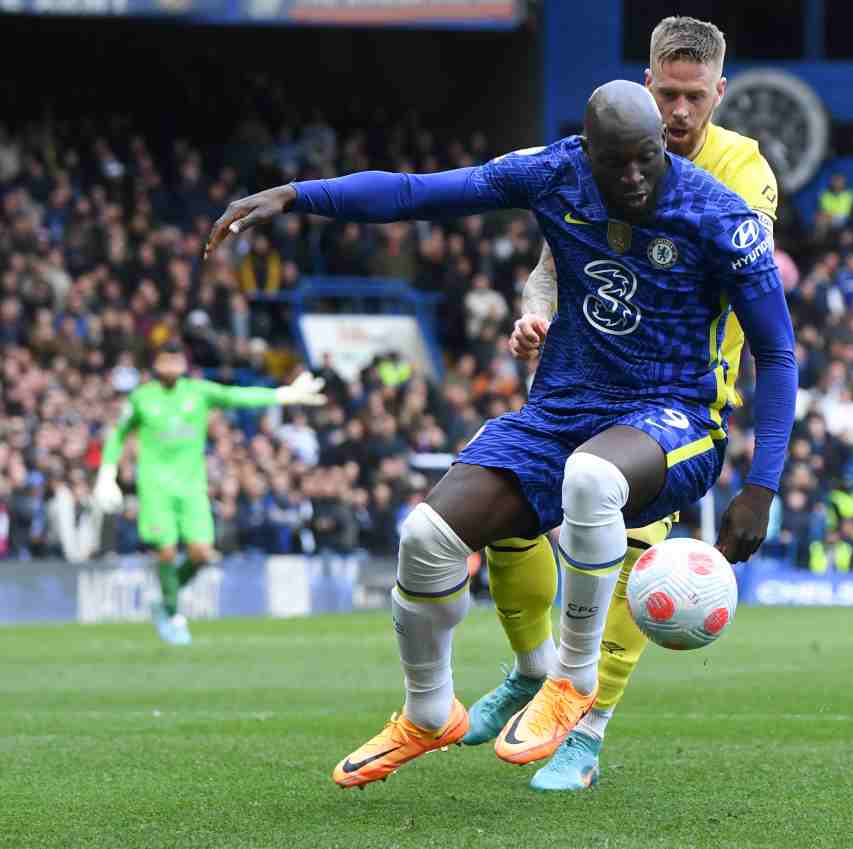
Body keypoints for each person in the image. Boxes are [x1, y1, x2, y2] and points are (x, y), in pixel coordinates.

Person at [206, 79, 797, 791]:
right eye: (618, 163)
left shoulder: (721, 216)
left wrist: (762, 485)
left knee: (590, 478)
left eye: (648, 159)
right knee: (425, 539)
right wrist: (299, 195)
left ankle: (572, 680)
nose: (636, 177)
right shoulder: (554, 171)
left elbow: (777, 353)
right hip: (562, 409)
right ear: (587, 152)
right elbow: (416, 193)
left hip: (674, 416)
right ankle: (429, 713)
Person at [478, 15, 783, 791]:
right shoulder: (605, 150)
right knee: (506, 517)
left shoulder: (741, 170)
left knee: (630, 553)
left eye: (694, 97)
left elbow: (749, 271)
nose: (679, 112)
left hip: (670, 398)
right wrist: (537, 311)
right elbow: (552, 265)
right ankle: (530, 670)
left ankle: (587, 731)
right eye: (667, 94)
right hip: (581, 383)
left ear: (720, 92)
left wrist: (763, 476)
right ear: (647, 85)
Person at [93, 341, 325, 644]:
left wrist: (282, 395)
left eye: (177, 359)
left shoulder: (198, 392)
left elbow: (237, 396)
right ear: (156, 363)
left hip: (192, 487)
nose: (172, 365)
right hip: (155, 488)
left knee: (202, 553)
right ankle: (173, 615)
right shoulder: (142, 397)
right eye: (166, 359)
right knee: (165, 550)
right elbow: (118, 434)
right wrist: (106, 472)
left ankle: (164, 600)